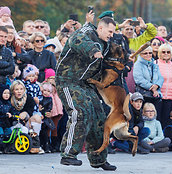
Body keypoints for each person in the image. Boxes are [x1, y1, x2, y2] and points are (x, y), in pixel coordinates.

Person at [56, 17, 117, 170]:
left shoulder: (106, 44)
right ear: (101, 28)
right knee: (81, 112)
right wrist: (93, 51)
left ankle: (99, 159)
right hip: (67, 81)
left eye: (113, 32)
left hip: (86, 84)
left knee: (99, 117)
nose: (111, 35)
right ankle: (68, 154)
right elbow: (76, 39)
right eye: (110, 31)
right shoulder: (87, 32)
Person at [9, 80, 43, 153]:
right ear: (13, 90)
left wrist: (26, 114)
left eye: (21, 89)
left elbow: (30, 113)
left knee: (37, 117)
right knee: (23, 129)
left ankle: (34, 143)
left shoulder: (29, 99)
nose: (19, 91)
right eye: (17, 89)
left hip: (25, 122)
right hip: (13, 124)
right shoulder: (9, 99)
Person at [133, 46, 164, 116]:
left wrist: (157, 85)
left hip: (155, 95)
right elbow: (139, 79)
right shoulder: (137, 64)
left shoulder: (154, 64)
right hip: (145, 95)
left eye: (150, 53)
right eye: (145, 53)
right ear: (140, 54)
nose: (148, 55)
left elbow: (161, 78)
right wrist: (152, 87)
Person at [155, 44, 172, 128]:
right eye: (163, 52)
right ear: (159, 53)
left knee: (166, 118)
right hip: (158, 95)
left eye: (168, 52)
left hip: (170, 96)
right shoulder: (155, 63)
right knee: (157, 118)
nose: (166, 54)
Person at [42, 68, 63, 152]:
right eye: (51, 78)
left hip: (57, 110)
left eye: (54, 78)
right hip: (49, 110)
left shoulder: (56, 87)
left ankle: (55, 145)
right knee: (47, 127)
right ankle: (47, 144)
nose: (53, 80)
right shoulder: (44, 86)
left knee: (55, 128)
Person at [39, 82, 53, 153]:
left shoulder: (49, 99)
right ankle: (41, 144)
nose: (46, 93)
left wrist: (45, 113)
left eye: (48, 91)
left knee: (45, 131)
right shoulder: (40, 98)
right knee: (41, 131)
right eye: (44, 90)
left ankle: (46, 145)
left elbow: (49, 108)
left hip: (45, 117)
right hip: (40, 116)